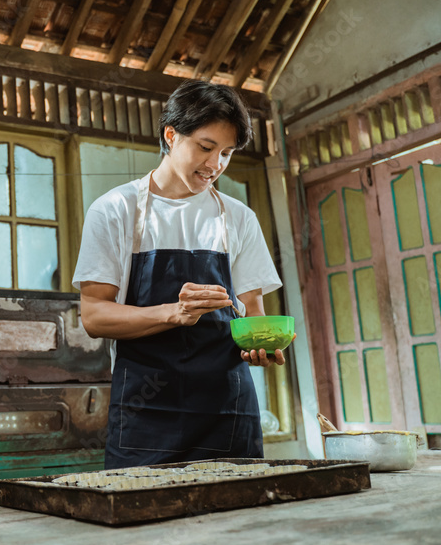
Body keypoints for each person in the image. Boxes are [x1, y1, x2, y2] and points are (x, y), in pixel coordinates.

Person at [72, 80, 284, 470]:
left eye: (227, 153)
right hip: (145, 413)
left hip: (227, 410)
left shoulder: (238, 218)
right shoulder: (115, 210)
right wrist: (173, 313)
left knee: (239, 523)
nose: (215, 165)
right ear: (171, 135)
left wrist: (261, 345)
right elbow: (94, 316)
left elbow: (252, 310)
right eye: (205, 147)